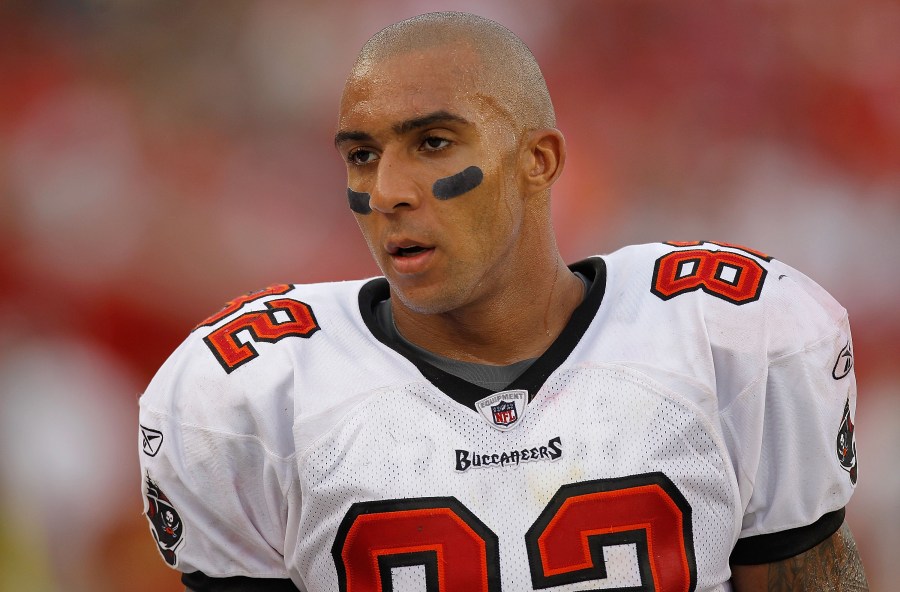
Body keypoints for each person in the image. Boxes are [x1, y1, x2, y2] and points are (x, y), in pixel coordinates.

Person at [138, 11, 868, 592]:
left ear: (538, 160)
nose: (388, 190)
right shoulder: (255, 392)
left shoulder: (725, 334)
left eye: (432, 143)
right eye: (362, 154)